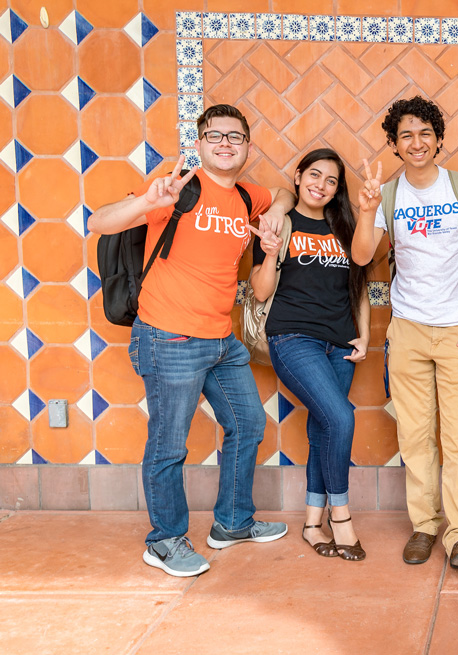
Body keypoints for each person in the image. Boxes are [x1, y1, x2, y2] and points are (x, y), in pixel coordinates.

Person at [87, 104, 293, 577]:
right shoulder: (177, 185)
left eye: (235, 136)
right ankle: (163, 540)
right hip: (169, 336)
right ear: (199, 144)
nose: (225, 143)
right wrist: (146, 203)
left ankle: (233, 523)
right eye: (215, 135)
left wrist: (277, 213)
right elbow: (100, 222)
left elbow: (281, 192)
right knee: (168, 445)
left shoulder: (245, 194)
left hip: (222, 339)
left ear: (246, 146)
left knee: (247, 425)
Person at [352, 96, 458, 569]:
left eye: (425, 133)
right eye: (406, 135)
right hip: (407, 329)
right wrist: (366, 209)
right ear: (394, 144)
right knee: (414, 436)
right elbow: (361, 255)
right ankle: (425, 525)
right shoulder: (387, 195)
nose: (417, 143)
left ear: (438, 139)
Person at [249, 149, 370, 562]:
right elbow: (261, 291)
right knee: (341, 417)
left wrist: (364, 336)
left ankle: (312, 522)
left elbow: (359, 289)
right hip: (292, 337)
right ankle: (341, 517)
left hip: (340, 342)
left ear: (338, 189)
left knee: (324, 428)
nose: (321, 184)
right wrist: (268, 249)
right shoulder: (279, 222)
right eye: (314, 175)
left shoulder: (345, 226)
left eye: (331, 180)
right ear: (298, 177)